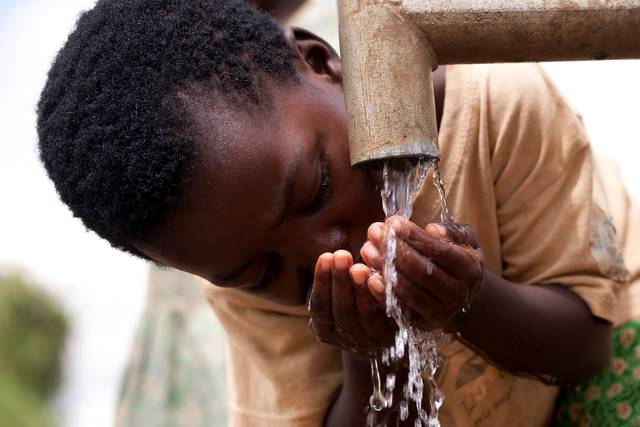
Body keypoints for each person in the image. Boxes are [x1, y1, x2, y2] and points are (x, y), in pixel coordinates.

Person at [36, 0, 636, 425]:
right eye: (263, 271)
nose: (328, 254)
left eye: (316, 188)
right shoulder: (240, 288)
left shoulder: (490, 107)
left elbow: (584, 350)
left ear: (322, 63)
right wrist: (369, 355)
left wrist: (468, 301)